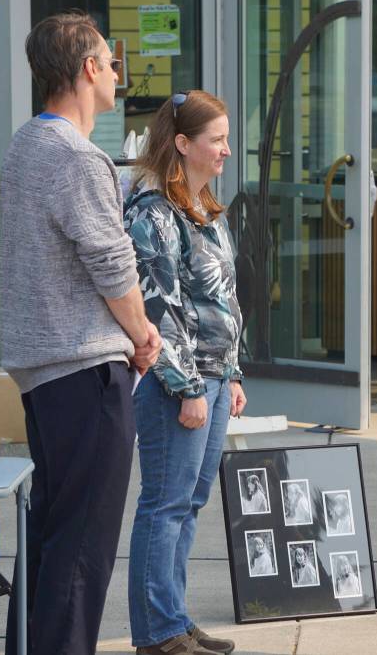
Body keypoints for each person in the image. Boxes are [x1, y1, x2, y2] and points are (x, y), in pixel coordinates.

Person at [0, 11, 162, 655]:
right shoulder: (76, 155)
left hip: (45, 374)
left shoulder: (23, 145)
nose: (118, 74)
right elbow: (112, 261)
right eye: (111, 61)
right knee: (82, 550)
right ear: (88, 68)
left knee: (53, 539)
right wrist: (144, 332)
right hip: (85, 370)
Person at [125, 89, 245, 655]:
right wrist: (189, 386)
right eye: (216, 139)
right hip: (180, 383)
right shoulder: (153, 213)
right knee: (166, 503)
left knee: (189, 502)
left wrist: (233, 374)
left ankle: (174, 617)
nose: (226, 149)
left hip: (216, 378)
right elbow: (159, 311)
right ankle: (158, 632)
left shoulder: (207, 209)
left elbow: (224, 300)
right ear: (181, 144)